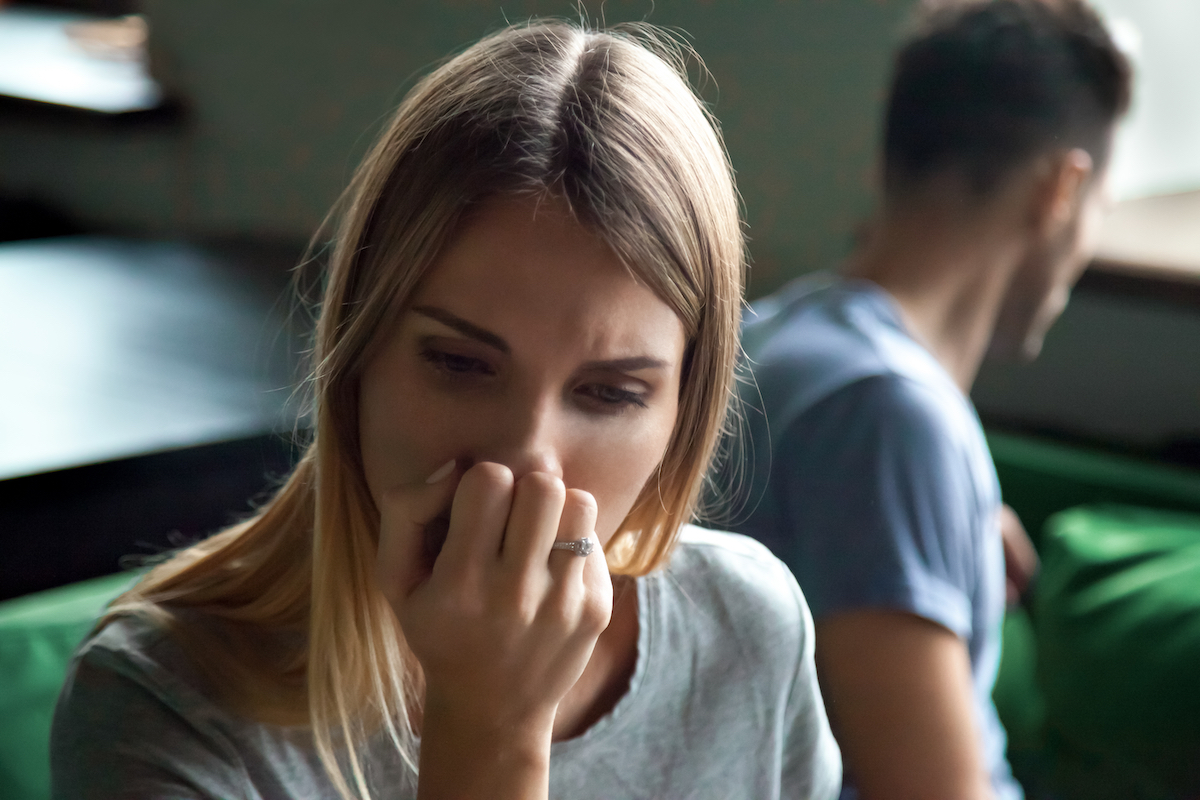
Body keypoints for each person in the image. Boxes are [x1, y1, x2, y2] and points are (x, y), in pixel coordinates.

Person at [50, 19, 842, 800]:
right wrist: (491, 728)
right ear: (357, 357)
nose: (526, 458)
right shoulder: (159, 702)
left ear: (683, 412)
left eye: (609, 394)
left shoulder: (748, 627)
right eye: (461, 365)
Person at [721, 1, 1131, 798]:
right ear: (1060, 188)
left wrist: (958, 521)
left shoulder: (778, 336)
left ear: (889, 160)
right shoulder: (885, 414)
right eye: (1099, 210)